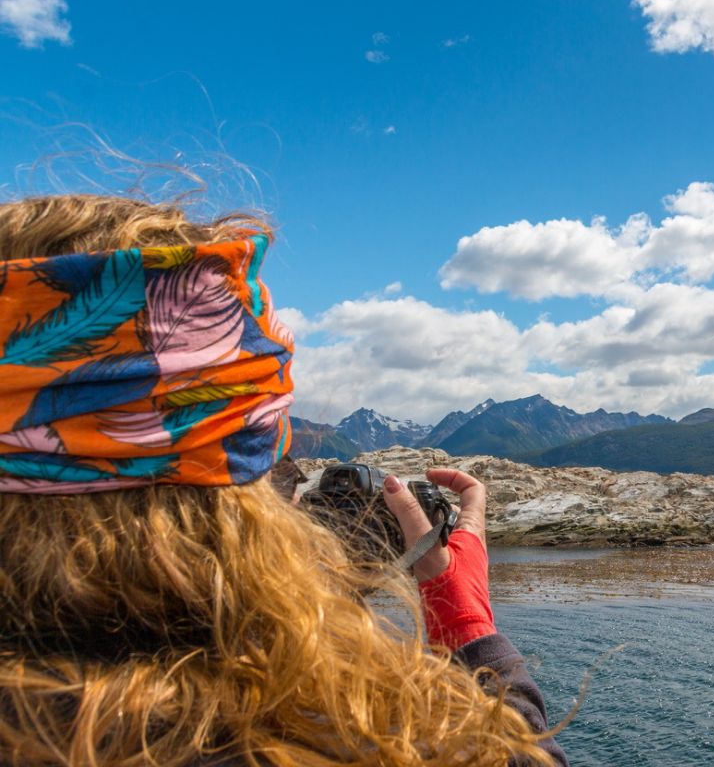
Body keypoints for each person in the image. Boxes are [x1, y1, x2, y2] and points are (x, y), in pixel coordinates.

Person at [0, 195, 566, 765]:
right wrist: (462, 616)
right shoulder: (314, 737)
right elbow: (521, 755)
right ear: (235, 486)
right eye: (280, 469)